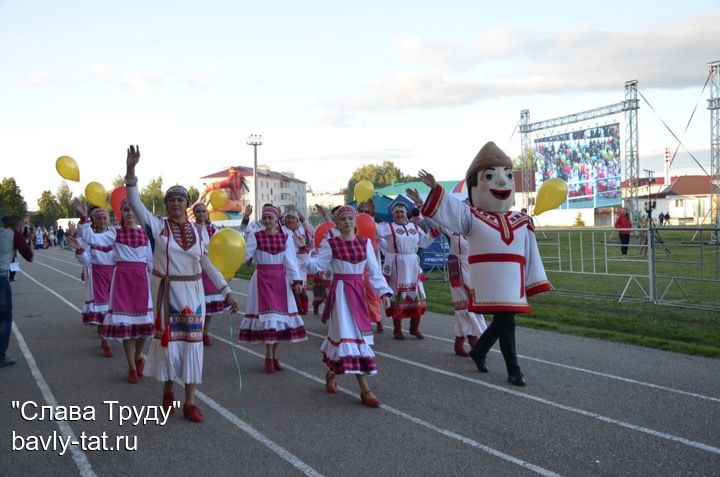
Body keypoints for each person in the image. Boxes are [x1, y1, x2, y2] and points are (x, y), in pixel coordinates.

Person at [417, 141, 552, 386]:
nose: (501, 182)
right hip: (488, 280)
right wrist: (436, 188)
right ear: (474, 186)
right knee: (506, 321)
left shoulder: (521, 220)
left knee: (504, 321)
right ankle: (513, 369)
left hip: (512, 282)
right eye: (489, 176)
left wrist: (534, 281)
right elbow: (450, 211)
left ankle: (479, 352)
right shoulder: (472, 217)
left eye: (508, 175)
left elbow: (532, 252)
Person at [125, 145, 239, 423]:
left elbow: (207, 264)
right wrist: (131, 170)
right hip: (168, 294)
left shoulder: (200, 231)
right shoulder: (156, 226)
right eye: (171, 200)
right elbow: (135, 202)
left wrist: (226, 292)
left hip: (194, 294)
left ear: (187, 204)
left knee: (193, 347)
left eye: (180, 200)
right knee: (170, 347)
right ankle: (168, 392)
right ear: (166, 205)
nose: (176, 204)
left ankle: (190, 402)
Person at [295, 206, 392, 407]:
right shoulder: (331, 244)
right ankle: (365, 389)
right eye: (343, 219)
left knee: (348, 339)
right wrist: (304, 250)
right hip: (340, 296)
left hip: (358, 293)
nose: (347, 222)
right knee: (352, 339)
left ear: (355, 221)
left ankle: (332, 373)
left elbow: (374, 272)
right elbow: (316, 267)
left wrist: (384, 293)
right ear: (337, 223)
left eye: (350, 218)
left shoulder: (365, 244)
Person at [71, 198, 154, 383]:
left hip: (141, 281)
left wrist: (159, 279)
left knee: (145, 328)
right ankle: (132, 367)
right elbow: (92, 238)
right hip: (123, 280)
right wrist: (84, 217)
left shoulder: (145, 235)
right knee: (125, 325)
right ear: (121, 214)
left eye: (133, 210)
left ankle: (139, 356)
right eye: (126, 210)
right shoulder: (115, 234)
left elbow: (150, 261)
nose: (130, 214)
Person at [406, 190, 487, 357]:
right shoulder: (450, 228)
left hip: (474, 268)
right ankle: (475, 340)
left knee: (472, 304)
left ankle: (462, 340)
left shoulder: (478, 229)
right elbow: (432, 219)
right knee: (463, 305)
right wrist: (420, 203)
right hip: (456, 267)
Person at [238, 204, 307, 374]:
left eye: (270, 218)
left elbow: (290, 260)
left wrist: (296, 280)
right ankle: (268, 357)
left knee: (280, 321)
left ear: (277, 220)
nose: (267, 221)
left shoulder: (286, 237)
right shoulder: (256, 236)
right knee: (269, 319)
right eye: (265, 217)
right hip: (261, 279)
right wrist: (234, 257)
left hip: (280, 280)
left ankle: (274, 357)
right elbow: (245, 255)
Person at [376, 202, 436, 340]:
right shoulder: (388, 227)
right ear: (393, 214)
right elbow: (375, 234)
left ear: (406, 213)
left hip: (413, 265)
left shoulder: (414, 227)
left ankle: (414, 328)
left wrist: (433, 232)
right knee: (398, 295)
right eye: (396, 212)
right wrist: (387, 250)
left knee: (418, 295)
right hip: (398, 266)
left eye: (402, 211)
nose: (400, 214)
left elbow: (424, 243)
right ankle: (397, 329)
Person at [69, 205, 116, 357]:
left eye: (104, 218)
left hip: (115, 275)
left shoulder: (115, 234)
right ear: (93, 222)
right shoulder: (91, 239)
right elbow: (87, 261)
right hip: (98, 275)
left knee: (114, 308)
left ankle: (106, 335)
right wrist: (80, 250)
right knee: (103, 309)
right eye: (98, 219)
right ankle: (106, 339)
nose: (102, 221)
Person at [191, 202, 230, 346]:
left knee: (210, 306)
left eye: (203, 211)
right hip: (196, 267)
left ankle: (205, 333)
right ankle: (198, 331)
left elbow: (220, 247)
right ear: (194, 214)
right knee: (199, 304)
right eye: (198, 212)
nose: (201, 214)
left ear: (207, 213)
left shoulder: (214, 229)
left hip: (211, 267)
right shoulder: (191, 228)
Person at [1, 216, 34, 367]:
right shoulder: (14, 234)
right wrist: (31, 241)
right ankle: (1, 356)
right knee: (4, 318)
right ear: (17, 226)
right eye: (21, 227)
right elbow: (29, 256)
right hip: (1, 278)